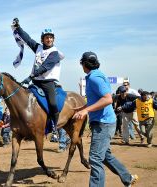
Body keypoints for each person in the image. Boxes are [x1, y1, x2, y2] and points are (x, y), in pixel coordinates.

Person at [73, 51, 138, 187]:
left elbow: (107, 99)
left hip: (103, 124)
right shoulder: (98, 75)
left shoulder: (94, 78)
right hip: (105, 122)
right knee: (105, 156)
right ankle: (128, 178)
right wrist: (82, 108)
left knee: (95, 158)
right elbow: (96, 99)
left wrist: (86, 110)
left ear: (84, 64)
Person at [11, 18, 64, 134]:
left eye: (51, 37)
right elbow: (27, 39)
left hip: (47, 82)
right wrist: (18, 27)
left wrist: (31, 76)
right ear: (43, 39)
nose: (49, 39)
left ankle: (55, 126)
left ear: (53, 39)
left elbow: (45, 67)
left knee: (52, 103)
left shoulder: (55, 53)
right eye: (46, 37)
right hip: (36, 81)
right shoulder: (38, 48)